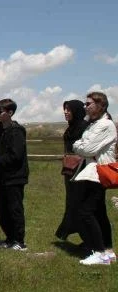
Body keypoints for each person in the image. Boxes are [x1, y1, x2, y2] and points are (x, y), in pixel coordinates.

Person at [72, 91, 117, 265]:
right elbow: (82, 143)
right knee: (99, 213)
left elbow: (86, 149)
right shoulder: (94, 124)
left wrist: (78, 146)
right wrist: (80, 145)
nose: (86, 107)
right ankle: (108, 251)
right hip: (92, 172)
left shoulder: (105, 125)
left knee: (86, 211)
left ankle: (99, 253)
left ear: (101, 106)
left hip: (97, 173)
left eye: (89, 104)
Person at [0, 98, 29, 251]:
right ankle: (9, 238)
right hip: (2, 175)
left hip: (15, 176)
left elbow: (16, 155)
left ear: (10, 113)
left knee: (14, 209)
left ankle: (19, 241)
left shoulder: (16, 131)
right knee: (1, 209)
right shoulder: (0, 129)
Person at [55, 100, 88, 242]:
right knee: (71, 201)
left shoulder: (85, 127)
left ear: (77, 111)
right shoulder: (70, 128)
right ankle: (71, 231)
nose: (65, 112)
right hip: (69, 170)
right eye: (65, 109)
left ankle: (88, 238)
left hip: (82, 170)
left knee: (80, 202)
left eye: (69, 109)